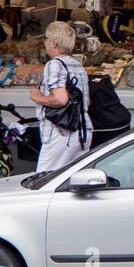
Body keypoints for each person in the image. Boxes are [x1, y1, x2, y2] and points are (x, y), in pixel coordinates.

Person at [29, 20, 92, 174]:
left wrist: (38, 97)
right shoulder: (78, 65)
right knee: (72, 180)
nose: (44, 42)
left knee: (44, 180)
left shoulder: (54, 64)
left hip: (61, 132)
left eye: (46, 39)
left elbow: (60, 99)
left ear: (54, 43)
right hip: (82, 131)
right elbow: (87, 101)